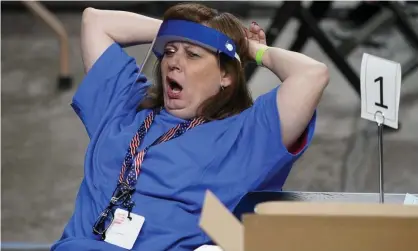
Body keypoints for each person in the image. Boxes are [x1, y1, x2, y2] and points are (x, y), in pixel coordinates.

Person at [52, 2, 329, 251]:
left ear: (226, 75)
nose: (174, 62)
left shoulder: (243, 136)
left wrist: (250, 49)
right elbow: (96, 21)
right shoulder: (124, 106)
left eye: (193, 54)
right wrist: (183, 31)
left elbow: (312, 74)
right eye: (170, 51)